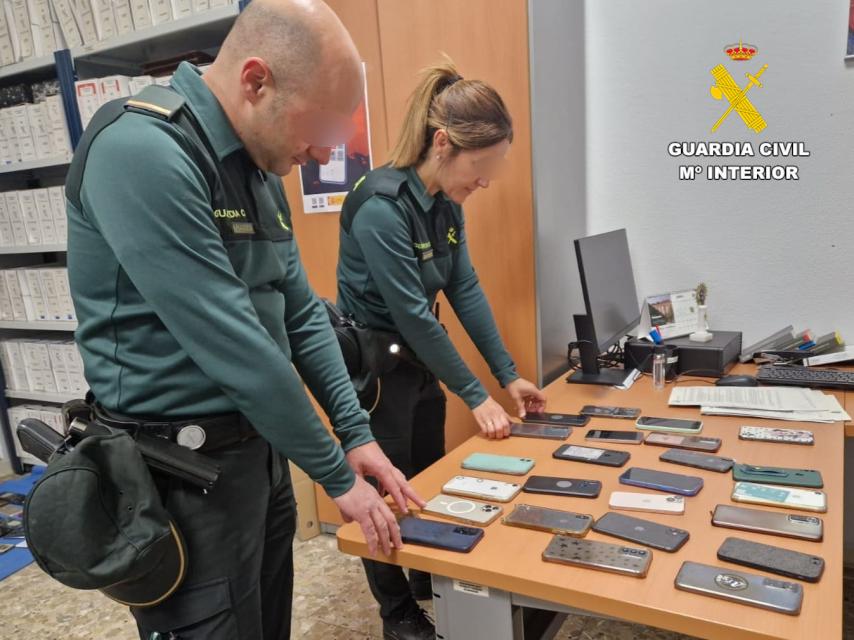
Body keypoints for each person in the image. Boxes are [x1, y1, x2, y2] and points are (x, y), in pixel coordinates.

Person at [65, 1, 423, 638]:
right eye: (317, 127)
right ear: (256, 81)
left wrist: (355, 433)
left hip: (256, 456)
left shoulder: (257, 164)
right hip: (179, 475)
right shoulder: (142, 149)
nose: (319, 152)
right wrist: (337, 476)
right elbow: (241, 349)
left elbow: (302, 316)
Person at [337, 58, 547, 640]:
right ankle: (396, 611)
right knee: (385, 487)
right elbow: (410, 312)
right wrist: (475, 394)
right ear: (442, 143)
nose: (485, 181)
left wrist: (508, 377)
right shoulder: (381, 206)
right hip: (377, 366)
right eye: (481, 165)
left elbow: (465, 290)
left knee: (424, 475)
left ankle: (428, 573)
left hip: (420, 359)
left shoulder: (445, 205)